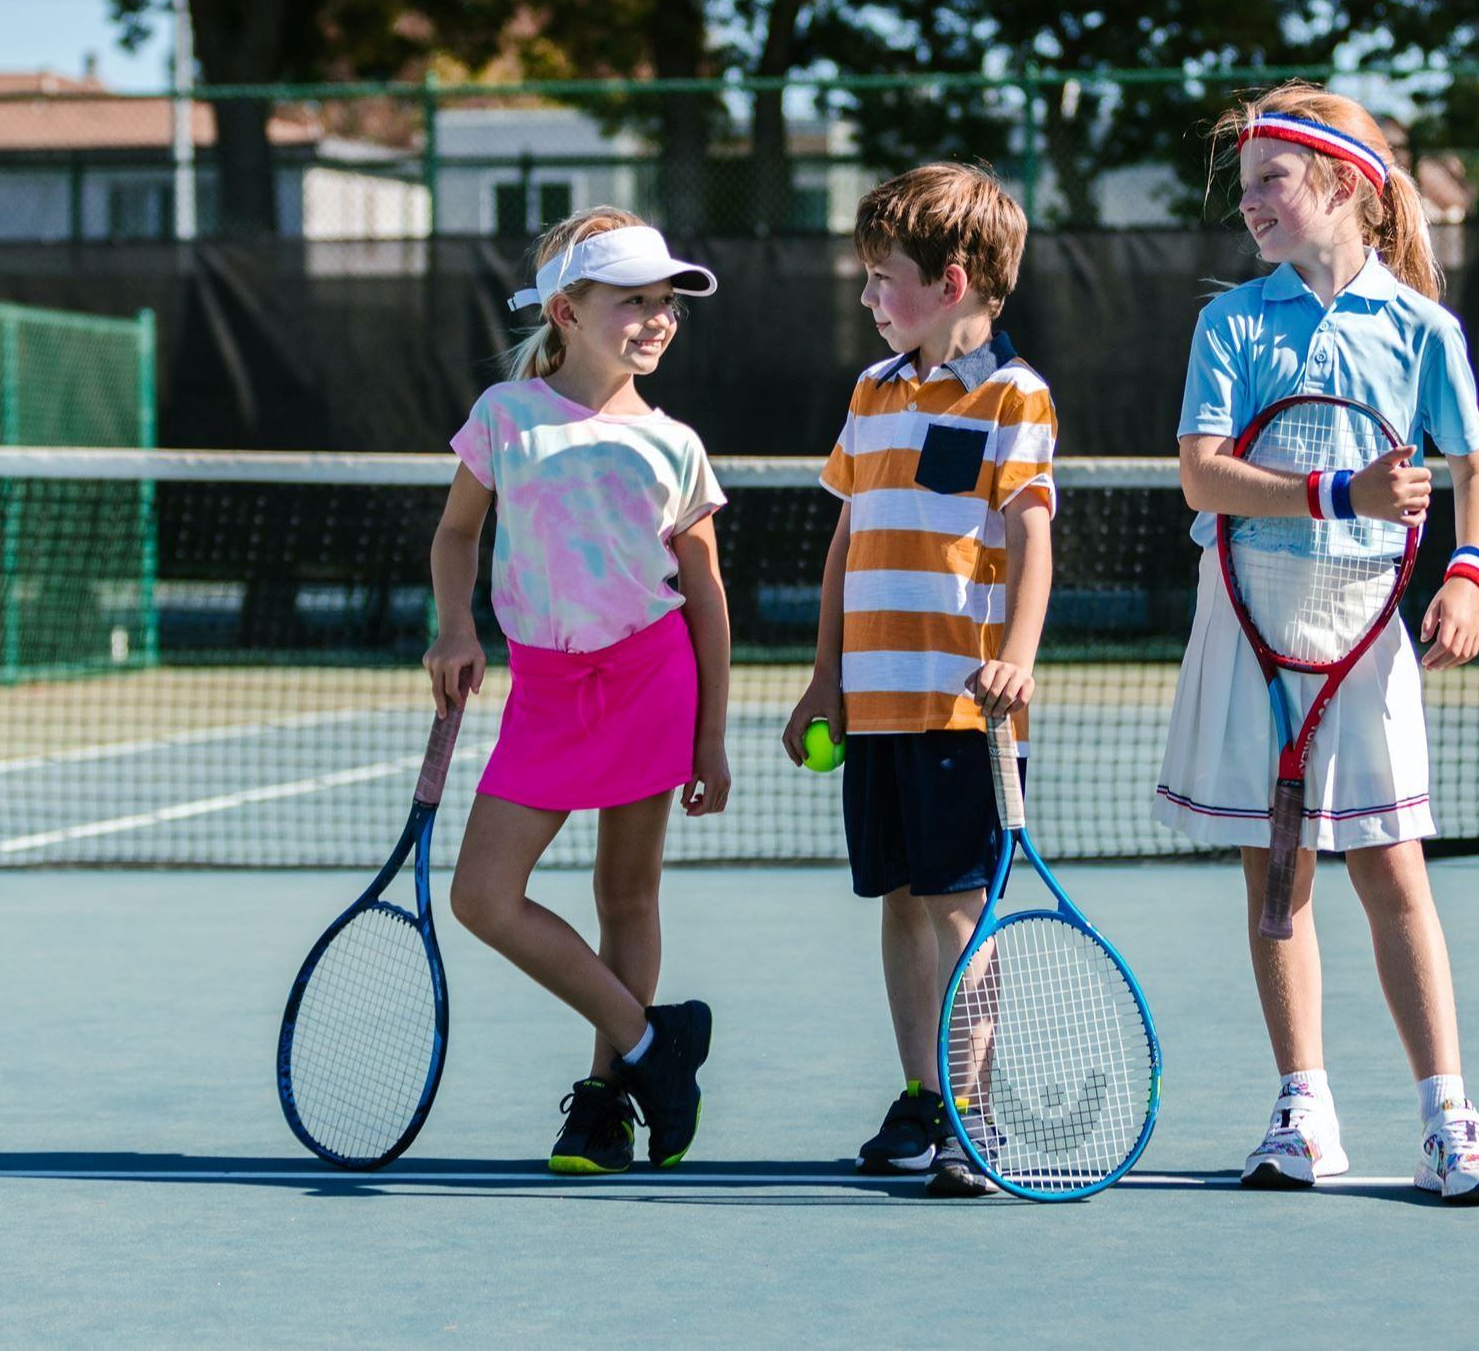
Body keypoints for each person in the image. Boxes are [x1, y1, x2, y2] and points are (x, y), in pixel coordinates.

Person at [1159, 81, 1479, 1204]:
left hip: (1365, 627)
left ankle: (1449, 1117)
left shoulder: (1422, 327)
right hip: (1250, 617)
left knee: (1393, 867)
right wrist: (1336, 489)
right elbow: (1203, 470)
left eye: (1274, 178)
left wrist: (1469, 569)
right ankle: (1304, 1106)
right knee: (1278, 873)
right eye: (1247, 182)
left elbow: (1474, 466)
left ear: (1345, 185)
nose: (1252, 200)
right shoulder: (1231, 320)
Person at [425, 207, 733, 1176]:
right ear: (565, 310)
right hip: (546, 690)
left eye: (665, 301)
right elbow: (456, 535)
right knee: (481, 894)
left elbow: (708, 596)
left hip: (652, 676)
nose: (655, 317)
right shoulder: (505, 417)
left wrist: (712, 734)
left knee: (625, 891)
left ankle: (607, 1101)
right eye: (631, 299)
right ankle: (653, 1043)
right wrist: (457, 622)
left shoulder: (676, 443)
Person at [781, 164, 1056, 1200]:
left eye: (878, 277)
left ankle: (971, 1111)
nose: (865, 297)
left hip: (961, 705)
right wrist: (823, 677)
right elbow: (848, 542)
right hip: (874, 699)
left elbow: (1032, 533)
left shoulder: (1014, 394)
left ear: (949, 279)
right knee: (900, 900)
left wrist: (1017, 657)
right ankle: (924, 1096)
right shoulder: (871, 390)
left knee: (955, 911)